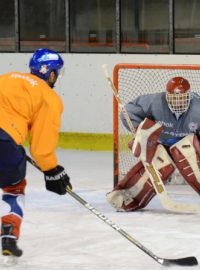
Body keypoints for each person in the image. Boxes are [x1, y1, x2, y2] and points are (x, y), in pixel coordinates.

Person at [0, 48, 72, 258]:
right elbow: (41, 147)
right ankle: (9, 234)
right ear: (50, 73)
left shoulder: (7, 77)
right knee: (14, 188)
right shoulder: (48, 97)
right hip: (4, 142)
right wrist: (52, 170)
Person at [107, 76, 200, 211]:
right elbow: (128, 111)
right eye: (174, 98)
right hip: (161, 145)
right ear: (167, 96)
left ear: (189, 96)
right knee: (158, 162)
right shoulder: (155, 101)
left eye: (182, 98)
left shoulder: (198, 108)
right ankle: (127, 197)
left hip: (188, 146)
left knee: (187, 153)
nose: (178, 102)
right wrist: (142, 135)